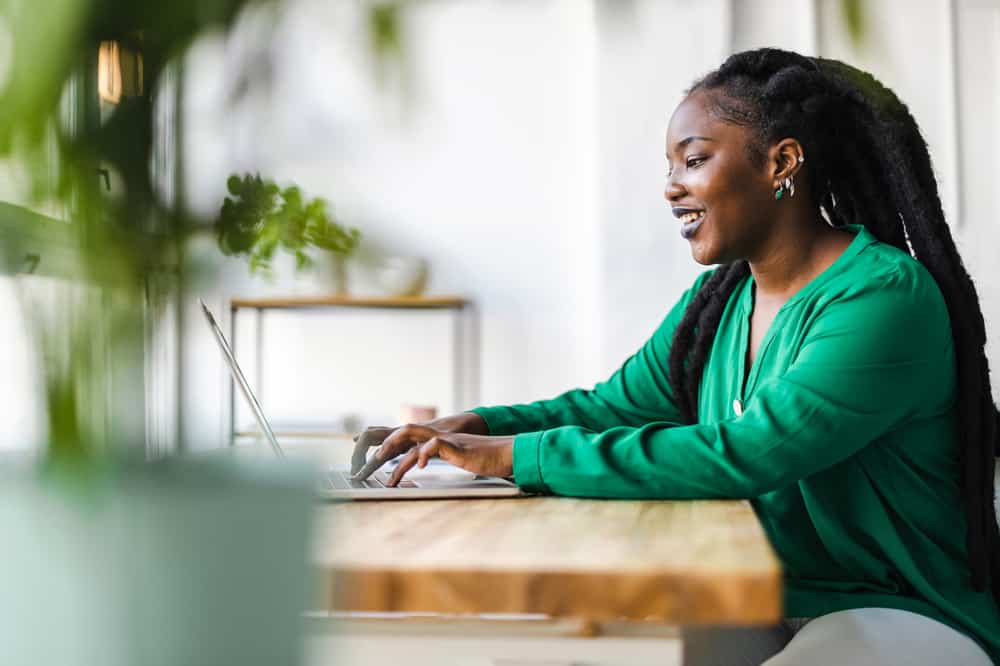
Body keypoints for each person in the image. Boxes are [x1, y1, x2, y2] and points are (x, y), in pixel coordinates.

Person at [350, 48, 1000, 665]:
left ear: (781, 163)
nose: (671, 188)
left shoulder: (884, 299)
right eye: (669, 168)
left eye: (693, 160)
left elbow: (749, 449)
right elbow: (613, 406)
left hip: (905, 614)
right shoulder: (718, 304)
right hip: (763, 603)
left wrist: (516, 456)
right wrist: (479, 426)